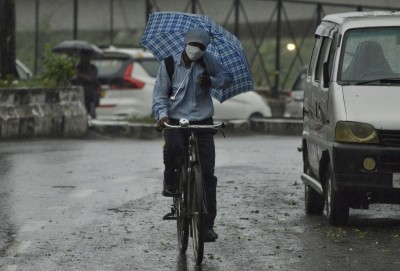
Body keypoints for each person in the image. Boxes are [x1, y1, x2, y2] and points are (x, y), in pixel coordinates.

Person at [152, 28, 233, 242]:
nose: (197, 49)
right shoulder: (168, 65)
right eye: (194, 45)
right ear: (186, 43)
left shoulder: (207, 62)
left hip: (203, 121)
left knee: (207, 175)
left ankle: (206, 226)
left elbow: (228, 77)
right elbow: (160, 95)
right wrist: (162, 116)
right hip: (176, 120)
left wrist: (212, 82)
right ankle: (171, 182)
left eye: (201, 47)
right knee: (173, 148)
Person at [75, 50, 100, 119]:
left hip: (90, 94)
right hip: (79, 93)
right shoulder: (78, 67)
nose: (82, 58)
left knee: (91, 114)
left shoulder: (92, 68)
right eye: (81, 56)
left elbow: (91, 79)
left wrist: (79, 74)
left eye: (84, 56)